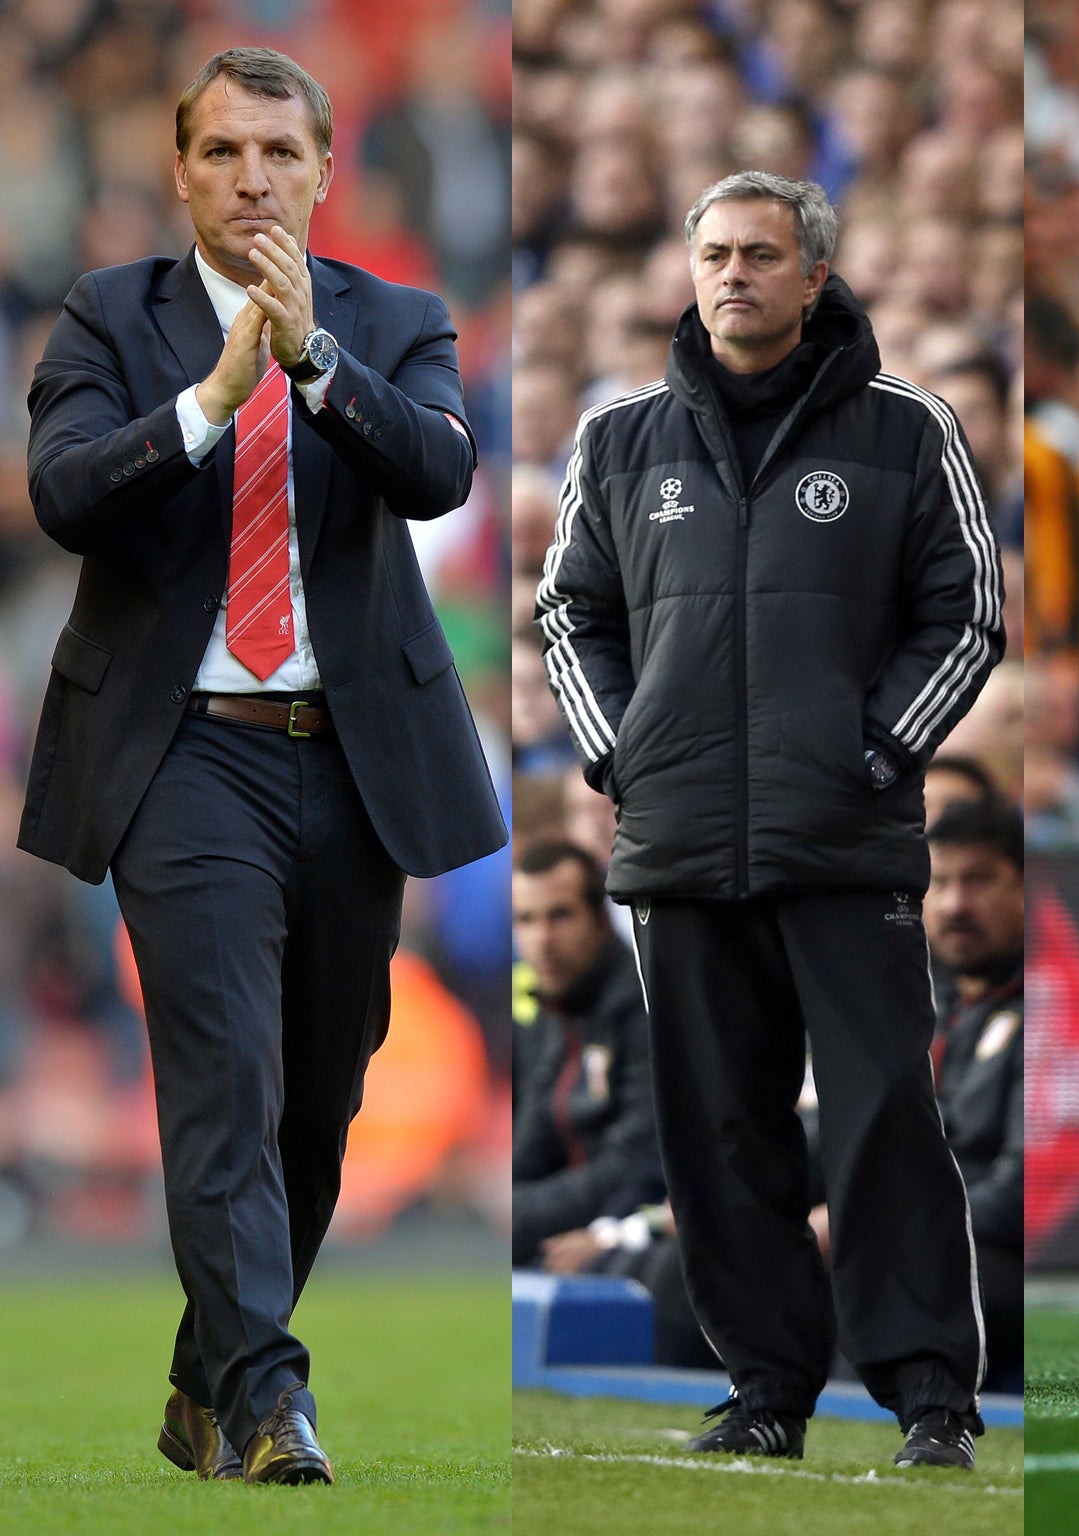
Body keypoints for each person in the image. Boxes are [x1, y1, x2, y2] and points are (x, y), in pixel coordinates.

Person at [20, 48, 504, 1484]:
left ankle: (201, 1375)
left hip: (350, 754)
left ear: (325, 173)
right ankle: (273, 1399)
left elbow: (437, 472)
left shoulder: (396, 318)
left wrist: (310, 363)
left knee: (317, 1096)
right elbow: (63, 496)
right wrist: (208, 398)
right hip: (183, 751)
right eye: (222, 151)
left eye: (278, 154)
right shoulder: (109, 314)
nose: (251, 178)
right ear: (180, 170)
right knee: (221, 1070)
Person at [536, 170, 1003, 1469]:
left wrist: (880, 748)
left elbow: (967, 615)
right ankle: (765, 1391)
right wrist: (622, 754)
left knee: (882, 1123)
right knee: (719, 1134)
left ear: (815, 276)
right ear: (689, 272)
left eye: (761, 254)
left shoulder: (908, 430)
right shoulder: (617, 438)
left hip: (845, 839)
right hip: (680, 844)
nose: (733, 274)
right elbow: (571, 612)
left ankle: (928, 1395)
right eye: (715, 254)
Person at [808, 796, 1026, 1391]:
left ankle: (882, 1437)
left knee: (883, 1272)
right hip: (912, 1228)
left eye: (979, 881)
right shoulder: (921, 996)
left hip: (998, 1253)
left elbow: (1020, 1192)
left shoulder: (1047, 1005)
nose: (955, 904)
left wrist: (882, 1221)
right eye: (942, 882)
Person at [511, 841, 662, 1267]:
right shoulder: (550, 1012)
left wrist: (518, 1214)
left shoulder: (644, 1008)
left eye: (559, 915)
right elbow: (530, 1146)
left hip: (633, 1226)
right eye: (525, 920)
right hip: (574, 1220)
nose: (542, 939)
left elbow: (638, 1162)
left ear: (599, 918)